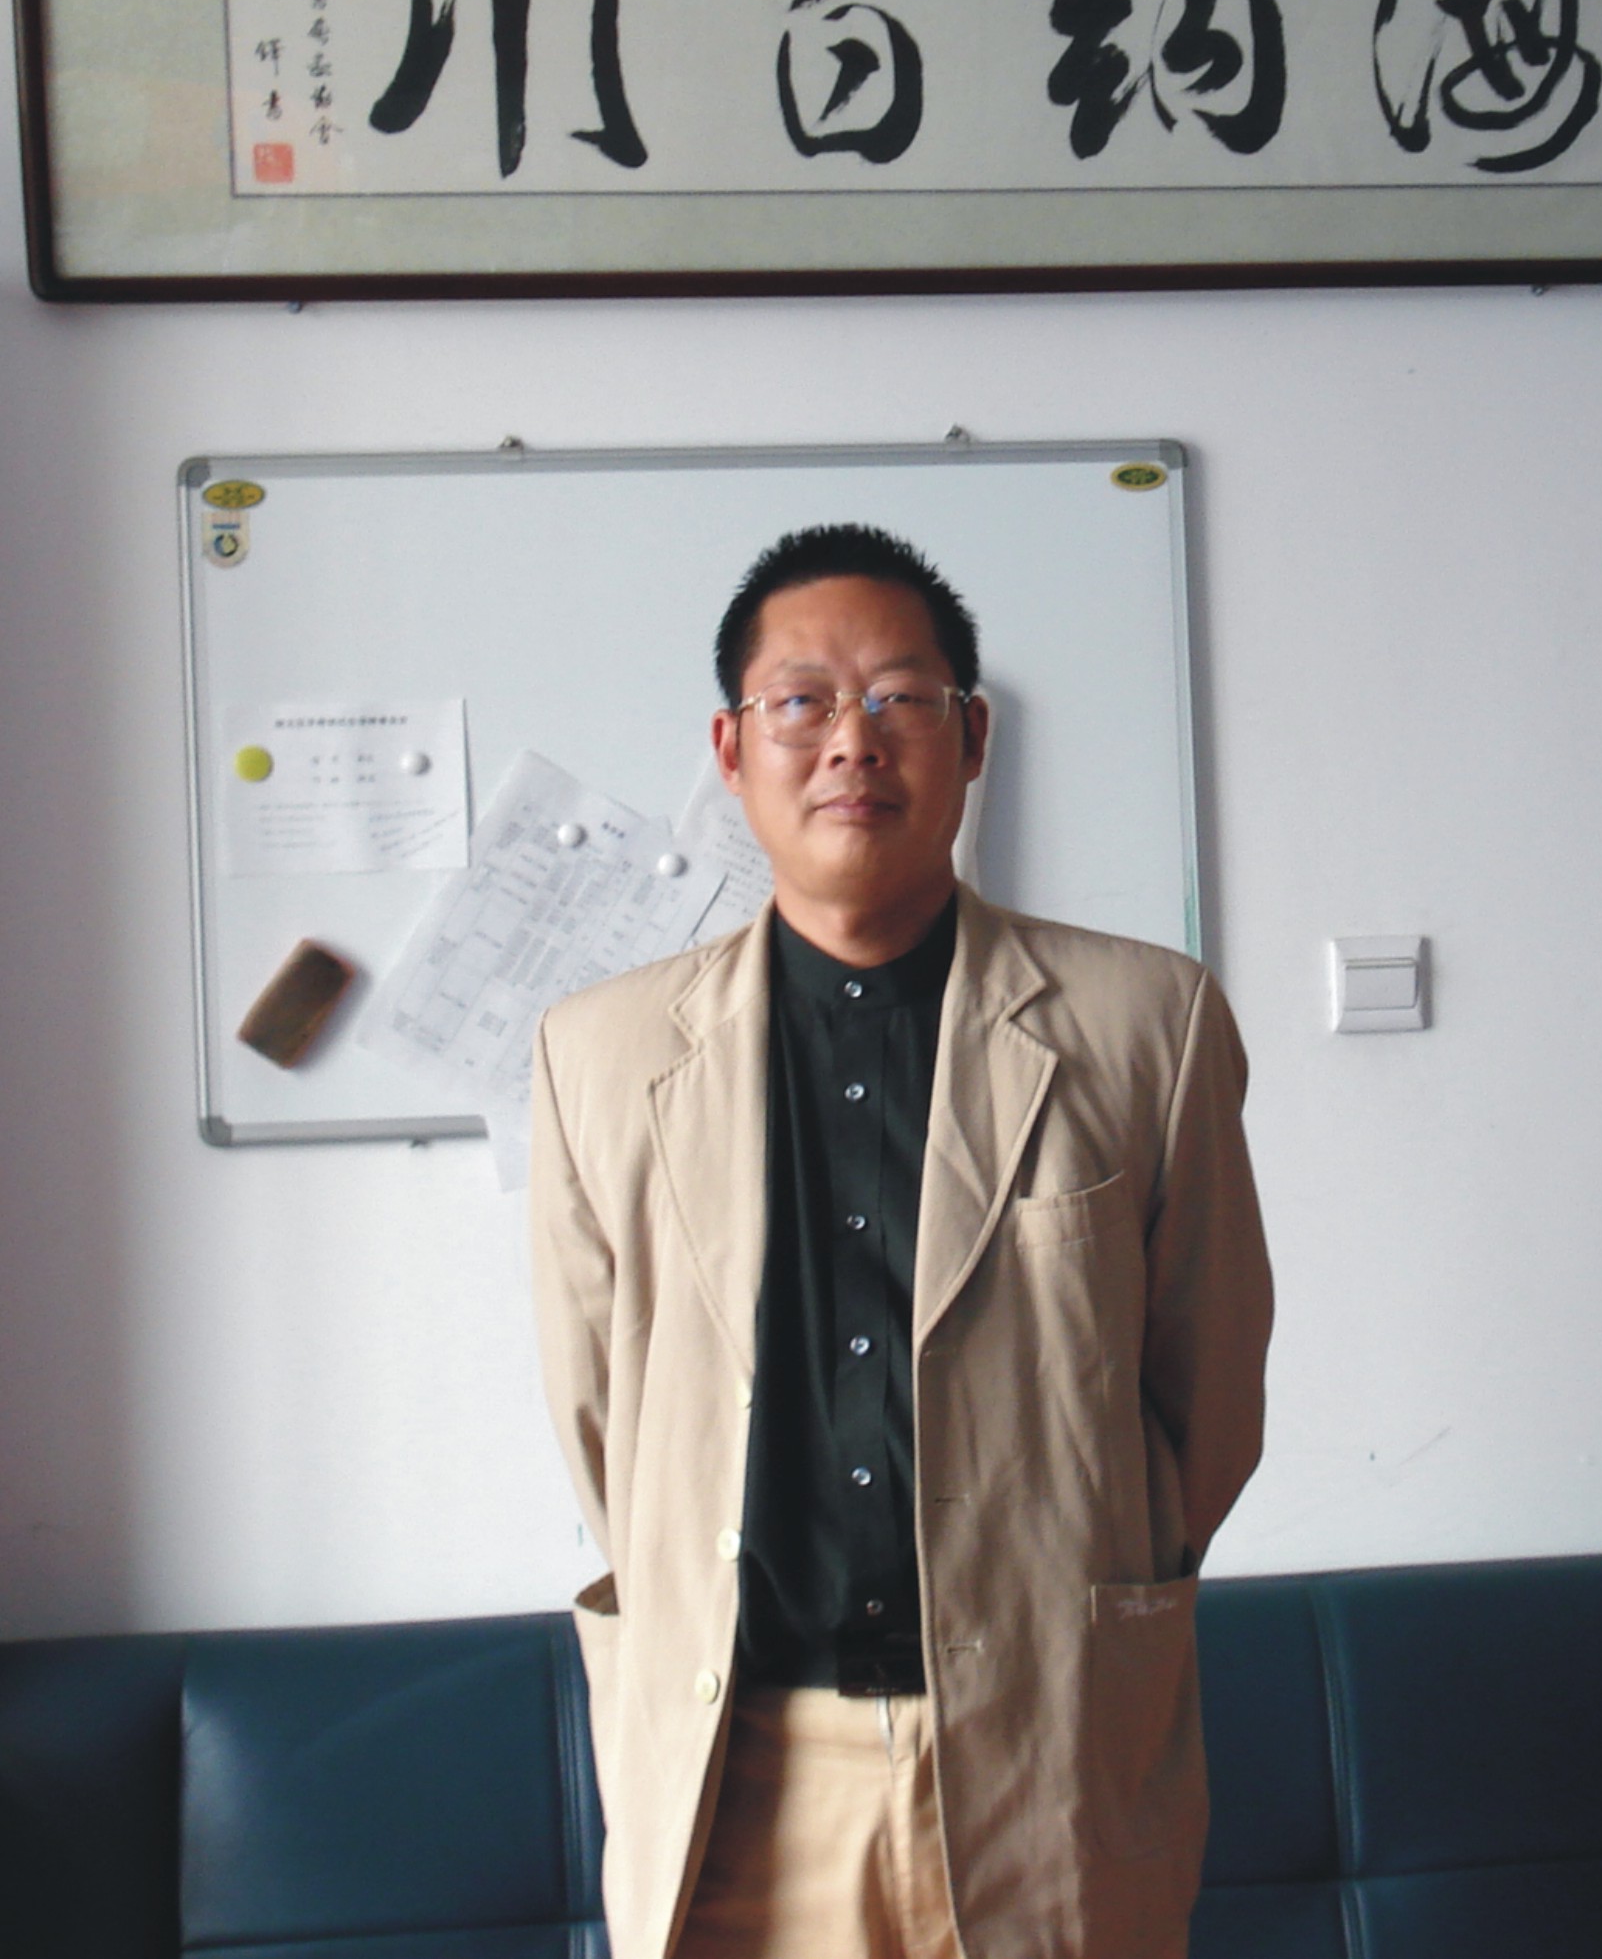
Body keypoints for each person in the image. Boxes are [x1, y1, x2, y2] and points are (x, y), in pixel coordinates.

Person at [530, 523, 1273, 1959]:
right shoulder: (601, 1053)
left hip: (1049, 1753)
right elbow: (601, 1417)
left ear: (972, 735)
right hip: (741, 1770)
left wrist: (1072, 1581)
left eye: (900, 698)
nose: (852, 741)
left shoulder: (1146, 1024)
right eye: (802, 700)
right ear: (732, 746)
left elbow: (1209, 1394)